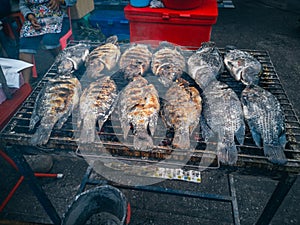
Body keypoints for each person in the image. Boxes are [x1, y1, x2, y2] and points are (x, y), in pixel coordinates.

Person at [18, 0, 77, 84]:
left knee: (50, 41)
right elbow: (23, 5)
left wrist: (60, 1)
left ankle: (65, 67)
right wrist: (30, 16)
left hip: (57, 17)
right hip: (35, 20)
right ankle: (26, 85)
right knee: (25, 44)